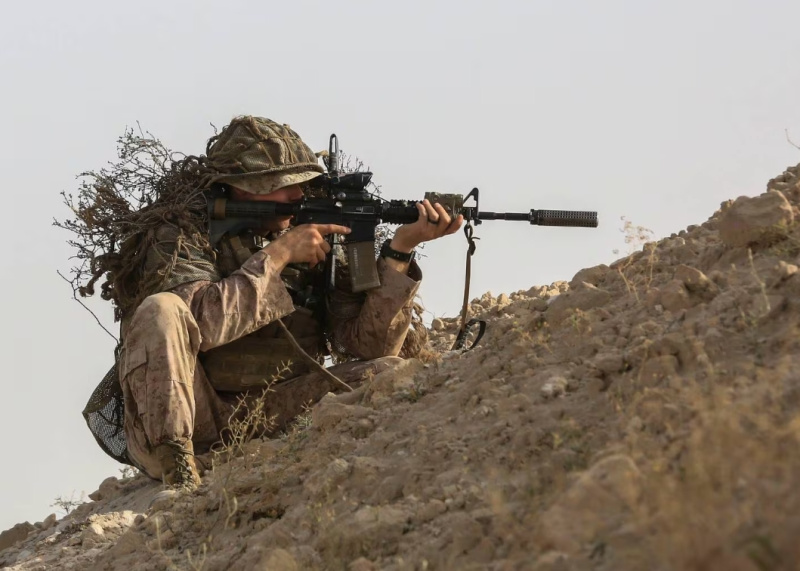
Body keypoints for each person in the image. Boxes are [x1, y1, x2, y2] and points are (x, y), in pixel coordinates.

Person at [116, 116, 463, 489]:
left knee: (387, 372)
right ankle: (179, 470)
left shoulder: (315, 232)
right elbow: (203, 325)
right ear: (240, 189)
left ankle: (235, 459)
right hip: (195, 412)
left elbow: (368, 345)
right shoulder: (179, 235)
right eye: (282, 187)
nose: (296, 196)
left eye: (301, 185)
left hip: (273, 411)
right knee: (161, 309)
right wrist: (278, 256)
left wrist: (400, 250)